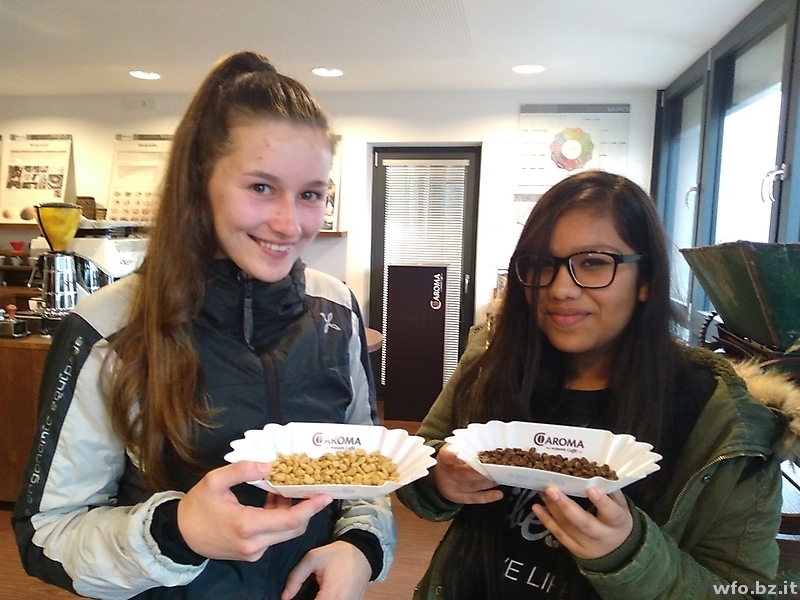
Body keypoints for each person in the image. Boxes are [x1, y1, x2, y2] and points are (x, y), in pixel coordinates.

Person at [13, 51, 396, 600]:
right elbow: (48, 534)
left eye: (311, 193)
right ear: (200, 183)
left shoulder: (336, 308)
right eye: (260, 187)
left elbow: (364, 468)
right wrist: (177, 533)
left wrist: (360, 546)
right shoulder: (108, 330)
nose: (289, 223)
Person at [396, 170, 800, 599]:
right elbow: (421, 464)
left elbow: (742, 591)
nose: (560, 289)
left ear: (645, 279)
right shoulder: (493, 357)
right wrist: (439, 478)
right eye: (542, 263)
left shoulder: (725, 420)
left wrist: (629, 555)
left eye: (593, 262)